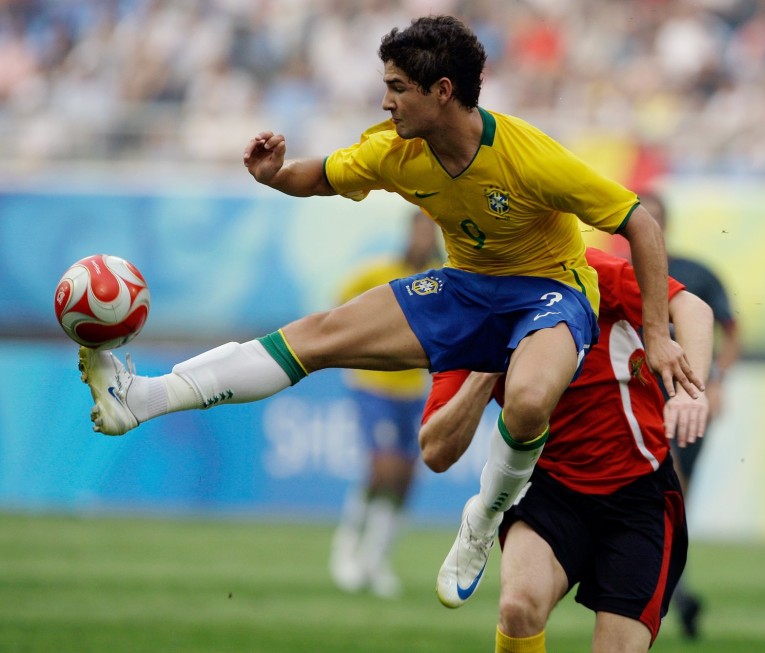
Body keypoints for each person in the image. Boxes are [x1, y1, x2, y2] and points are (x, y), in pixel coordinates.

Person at [77, 15, 704, 609]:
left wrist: (658, 336)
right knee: (316, 337)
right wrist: (275, 175)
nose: (386, 102)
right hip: (467, 288)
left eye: (397, 88)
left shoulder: (529, 157)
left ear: (442, 90)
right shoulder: (394, 151)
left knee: (530, 399)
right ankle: (144, 398)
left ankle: (483, 517)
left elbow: (639, 223)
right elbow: (318, 177)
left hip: (551, 292)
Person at [418, 247, 714, 653]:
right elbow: (436, 450)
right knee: (518, 607)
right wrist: (486, 370)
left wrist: (692, 393)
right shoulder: (462, 316)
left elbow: (692, 307)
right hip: (548, 487)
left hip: (637, 492)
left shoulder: (580, 266)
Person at [639, 191, 741, 638]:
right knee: (663, 489)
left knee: (674, 500)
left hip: (689, 398)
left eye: (655, 220)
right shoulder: (617, 275)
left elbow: (730, 328)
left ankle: (673, 592)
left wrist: (716, 381)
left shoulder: (696, 273)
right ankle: (673, 595)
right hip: (641, 401)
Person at [329, 211, 442, 598]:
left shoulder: (444, 280)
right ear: (409, 231)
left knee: (407, 476)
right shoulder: (376, 273)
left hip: (414, 390)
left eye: (431, 229)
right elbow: (338, 312)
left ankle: (375, 558)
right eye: (420, 228)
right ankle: (346, 550)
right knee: (382, 467)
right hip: (374, 384)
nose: (425, 236)